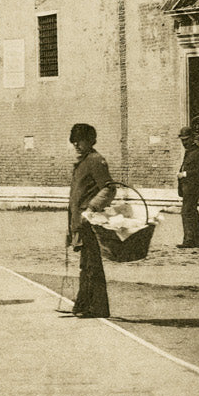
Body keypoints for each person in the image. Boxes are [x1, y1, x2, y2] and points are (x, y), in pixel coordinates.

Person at [67, 122, 115, 318]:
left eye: (81, 141)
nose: (77, 144)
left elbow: (109, 188)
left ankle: (97, 307)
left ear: (90, 141)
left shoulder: (95, 160)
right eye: (75, 141)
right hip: (81, 222)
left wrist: (92, 208)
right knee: (86, 263)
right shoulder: (83, 160)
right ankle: (83, 304)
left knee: (92, 264)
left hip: (90, 221)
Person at [176, 123, 199, 249]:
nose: (184, 143)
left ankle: (189, 240)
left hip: (193, 188)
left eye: (186, 140)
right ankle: (197, 240)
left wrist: (184, 174)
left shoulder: (198, 153)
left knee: (187, 212)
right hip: (187, 189)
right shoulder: (190, 151)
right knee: (191, 213)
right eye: (182, 141)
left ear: (192, 138)